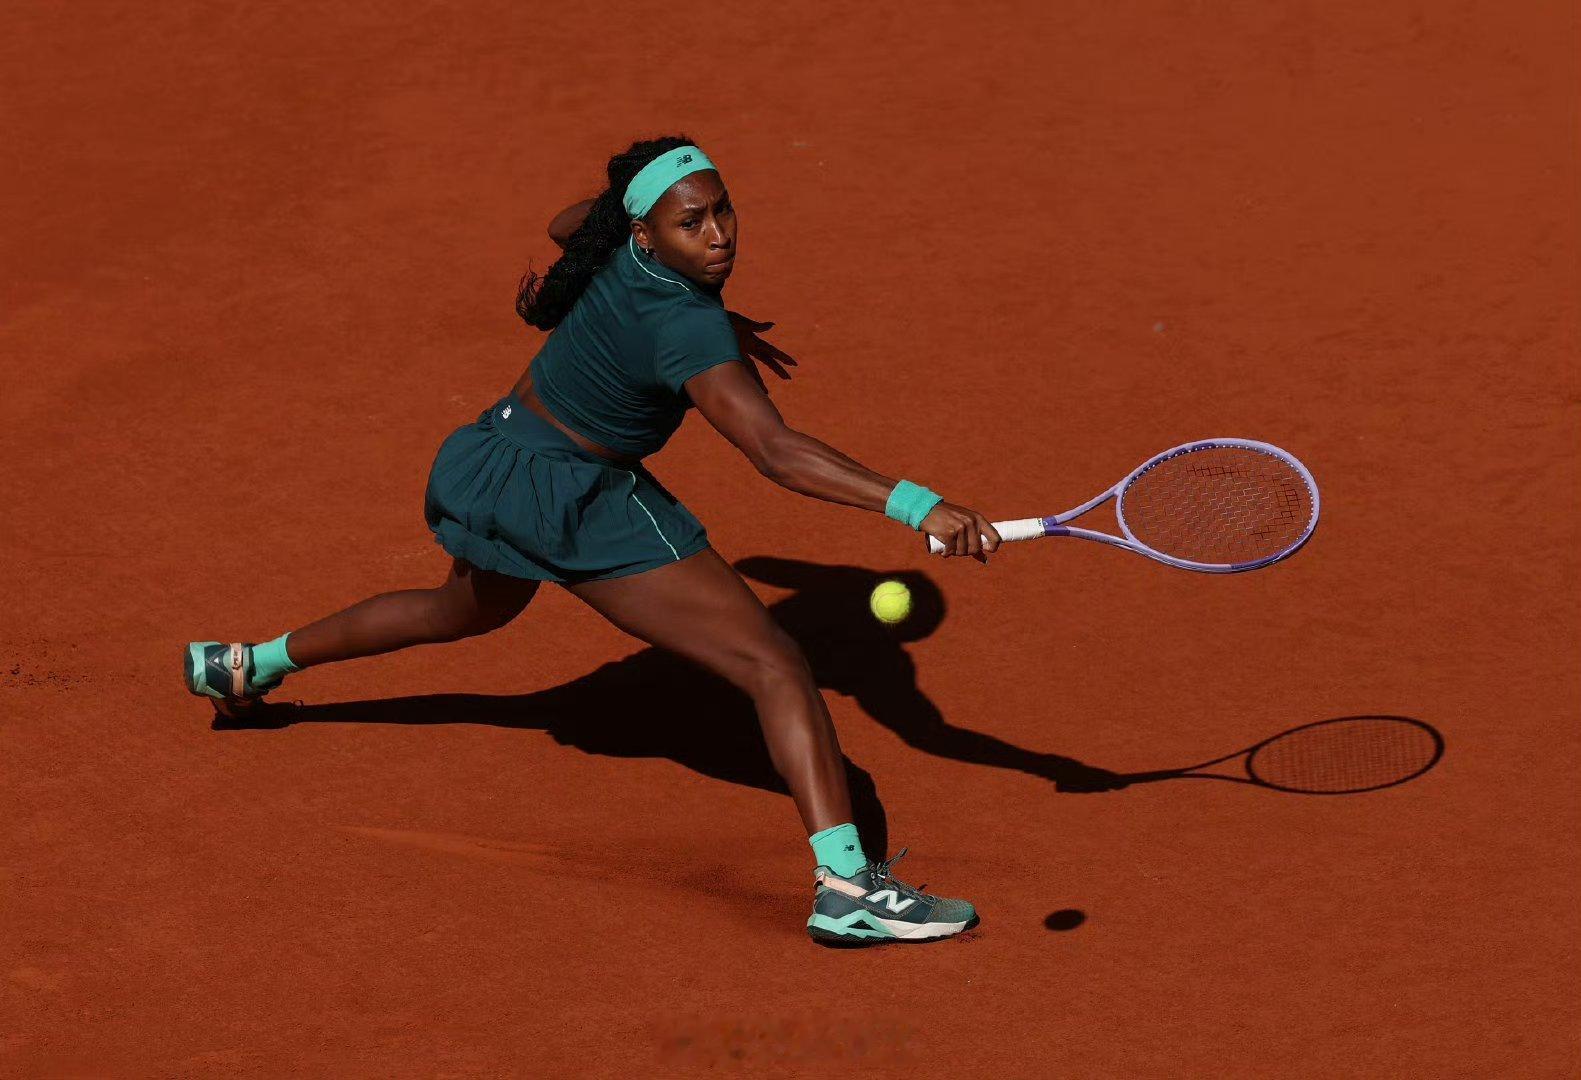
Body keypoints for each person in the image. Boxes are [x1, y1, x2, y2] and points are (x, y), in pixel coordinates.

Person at [184, 135, 1002, 946]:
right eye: (691, 222)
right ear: (646, 231)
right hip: (576, 500)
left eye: (722, 211)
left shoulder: (617, 246)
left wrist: (695, 289)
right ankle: (847, 888)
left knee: (456, 610)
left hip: (496, 460)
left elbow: (567, 221)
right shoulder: (688, 327)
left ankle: (249, 663)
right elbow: (774, 452)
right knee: (776, 666)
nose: (718, 236)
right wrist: (919, 506)